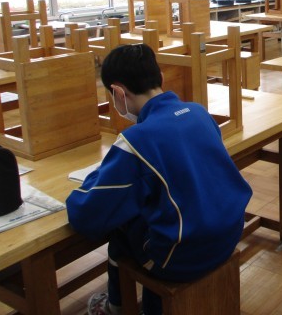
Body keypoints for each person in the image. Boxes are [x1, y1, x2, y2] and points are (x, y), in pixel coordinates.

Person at [66, 43, 252, 315]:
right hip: (230, 233)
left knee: (120, 225)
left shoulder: (136, 140)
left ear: (118, 93)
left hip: (183, 257)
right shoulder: (199, 112)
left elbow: (86, 215)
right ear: (161, 78)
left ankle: (118, 307)